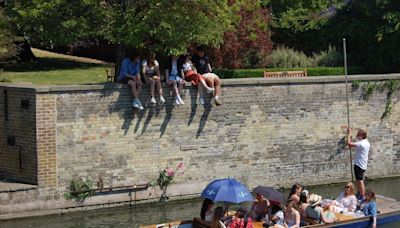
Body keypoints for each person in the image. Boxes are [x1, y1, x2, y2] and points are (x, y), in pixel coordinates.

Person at [347, 128, 370, 202]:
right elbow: (353, 145)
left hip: (359, 164)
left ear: (362, 135)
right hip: (362, 163)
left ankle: (362, 195)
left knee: (360, 180)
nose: (357, 136)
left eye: (358, 135)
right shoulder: (366, 142)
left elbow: (349, 143)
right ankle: (360, 193)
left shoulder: (361, 143)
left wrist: (348, 134)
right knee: (358, 180)